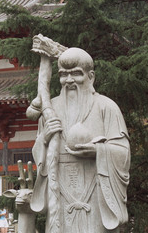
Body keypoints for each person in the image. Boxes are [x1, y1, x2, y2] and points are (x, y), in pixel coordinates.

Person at [29, 47, 130, 232]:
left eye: (76, 74)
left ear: (90, 77)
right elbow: (38, 153)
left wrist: (99, 151)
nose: (69, 80)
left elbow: (123, 151)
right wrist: (44, 138)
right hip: (60, 192)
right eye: (63, 75)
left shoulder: (106, 107)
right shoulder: (50, 110)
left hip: (96, 192)